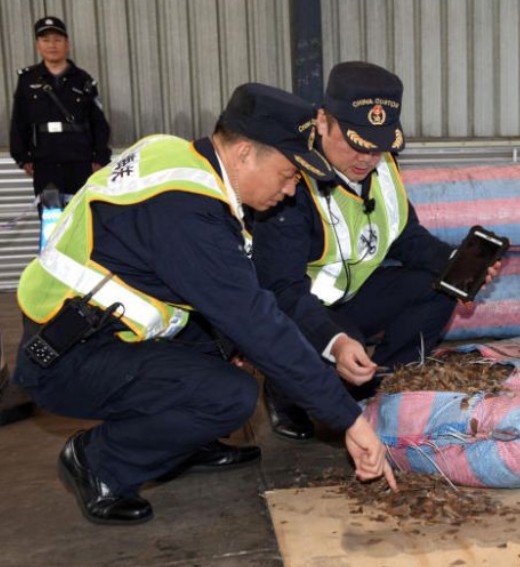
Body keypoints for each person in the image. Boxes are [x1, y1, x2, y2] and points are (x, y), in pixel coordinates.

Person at [13, 82, 396, 526]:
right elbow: (257, 322)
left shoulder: (182, 158)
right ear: (246, 153)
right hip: (64, 357)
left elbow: (260, 292)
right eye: (290, 174)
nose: (291, 191)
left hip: (93, 330)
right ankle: (98, 462)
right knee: (229, 395)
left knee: (225, 343)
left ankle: (183, 442)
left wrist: (331, 341)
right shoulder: (186, 213)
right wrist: (349, 418)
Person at [251, 61, 499, 440]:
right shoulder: (290, 181)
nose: (367, 159)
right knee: (331, 356)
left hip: (355, 295)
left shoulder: (381, 166)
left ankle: (386, 382)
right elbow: (281, 291)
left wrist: (455, 263)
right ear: (322, 121)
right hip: (302, 306)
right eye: (355, 143)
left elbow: (404, 235)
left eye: (379, 146)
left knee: (438, 285)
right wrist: (335, 342)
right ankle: (286, 391)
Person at [9, 16, 111, 217]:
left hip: (80, 162)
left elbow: (98, 123)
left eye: (57, 40)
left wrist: (100, 157)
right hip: (45, 163)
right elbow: (19, 121)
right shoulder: (27, 80)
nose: (52, 45)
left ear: (67, 44)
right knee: (51, 219)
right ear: (38, 45)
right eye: (45, 40)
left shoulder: (84, 80)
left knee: (81, 218)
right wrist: (22, 157)